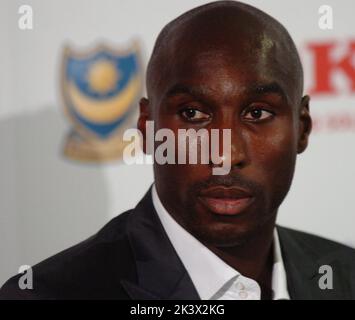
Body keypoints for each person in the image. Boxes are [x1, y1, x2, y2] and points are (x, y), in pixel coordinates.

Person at [1, 0, 355, 300]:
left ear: (302, 129)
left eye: (257, 113)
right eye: (193, 114)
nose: (225, 154)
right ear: (147, 128)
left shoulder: (346, 275)